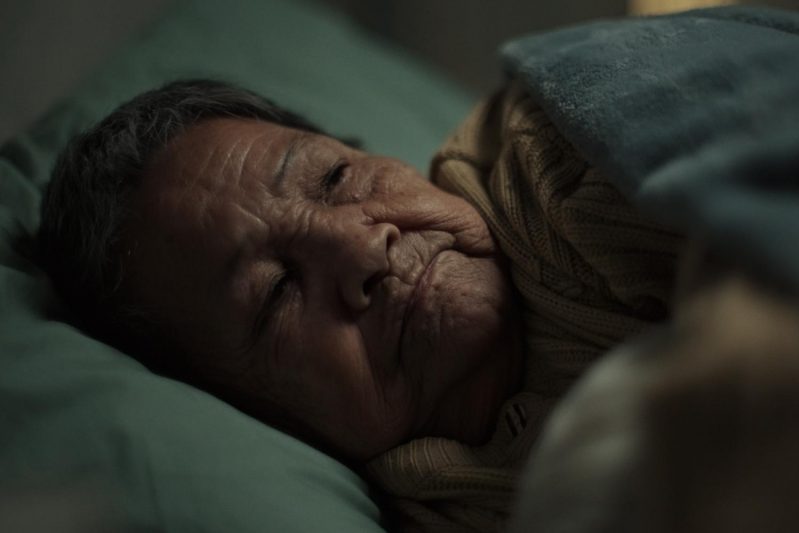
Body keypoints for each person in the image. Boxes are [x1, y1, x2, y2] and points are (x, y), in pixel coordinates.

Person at [37, 79, 683, 531]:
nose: (366, 248)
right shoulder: (435, 509)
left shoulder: (574, 163)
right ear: (259, 418)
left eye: (334, 178)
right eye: (276, 293)